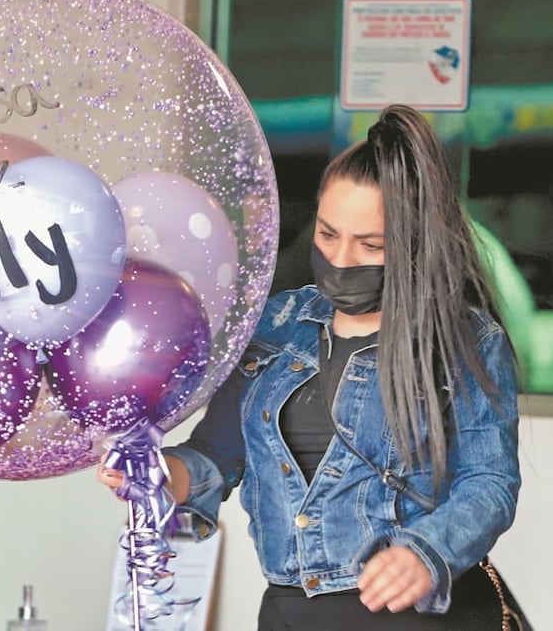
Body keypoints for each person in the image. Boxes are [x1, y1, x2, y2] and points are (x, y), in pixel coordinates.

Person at [99, 104, 523, 629]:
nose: (341, 259)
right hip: (289, 609)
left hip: (409, 614)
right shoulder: (276, 325)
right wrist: (158, 476)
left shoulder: (466, 342)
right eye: (327, 234)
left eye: (371, 245)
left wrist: (426, 552)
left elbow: (490, 482)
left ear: (415, 245)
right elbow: (218, 454)